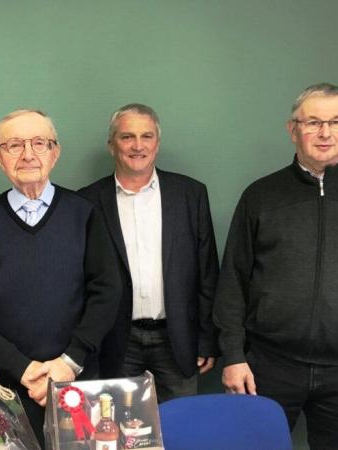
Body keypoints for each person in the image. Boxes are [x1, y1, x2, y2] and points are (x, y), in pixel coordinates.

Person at [213, 83, 338, 449]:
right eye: (313, 123)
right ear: (293, 129)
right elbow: (233, 283)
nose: (325, 133)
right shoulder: (260, 196)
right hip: (266, 367)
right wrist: (232, 356)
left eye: (336, 122)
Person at [0, 109, 121, 446]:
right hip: (6, 389)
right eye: (14, 145)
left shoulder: (84, 213)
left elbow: (107, 291)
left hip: (78, 381)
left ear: (55, 152)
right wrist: (22, 367)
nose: (28, 154)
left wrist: (70, 361)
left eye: (39, 143)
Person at [79, 103, 219, 402]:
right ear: (111, 145)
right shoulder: (87, 201)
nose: (138, 146)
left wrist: (207, 338)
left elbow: (207, 272)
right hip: (116, 342)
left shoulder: (190, 195)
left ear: (157, 143)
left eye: (147, 136)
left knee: (181, 432)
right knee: (115, 433)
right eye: (127, 137)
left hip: (177, 340)